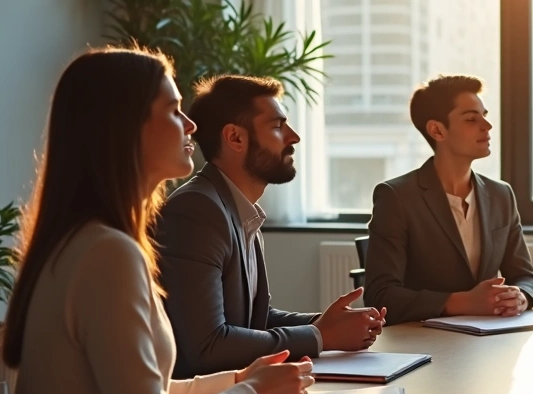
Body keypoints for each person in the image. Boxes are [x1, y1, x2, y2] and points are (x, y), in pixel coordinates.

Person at [1, 47, 400, 394]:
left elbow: (151, 391)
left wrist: (240, 378)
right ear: (123, 129)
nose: (191, 126)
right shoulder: (108, 254)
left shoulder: (90, 242)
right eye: (172, 111)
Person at [155, 75, 384, 377]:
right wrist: (321, 337)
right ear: (235, 138)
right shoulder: (197, 211)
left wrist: (329, 323)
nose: (294, 137)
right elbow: (207, 346)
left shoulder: (238, 209)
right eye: (277, 126)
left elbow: (255, 321)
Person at [364, 74, 533, 325]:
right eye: (471, 119)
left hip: (487, 339)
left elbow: (525, 277)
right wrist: (464, 302)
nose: (487, 126)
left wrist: (520, 297)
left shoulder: (501, 195)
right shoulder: (396, 197)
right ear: (437, 130)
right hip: (422, 342)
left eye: (485, 115)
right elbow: (380, 296)